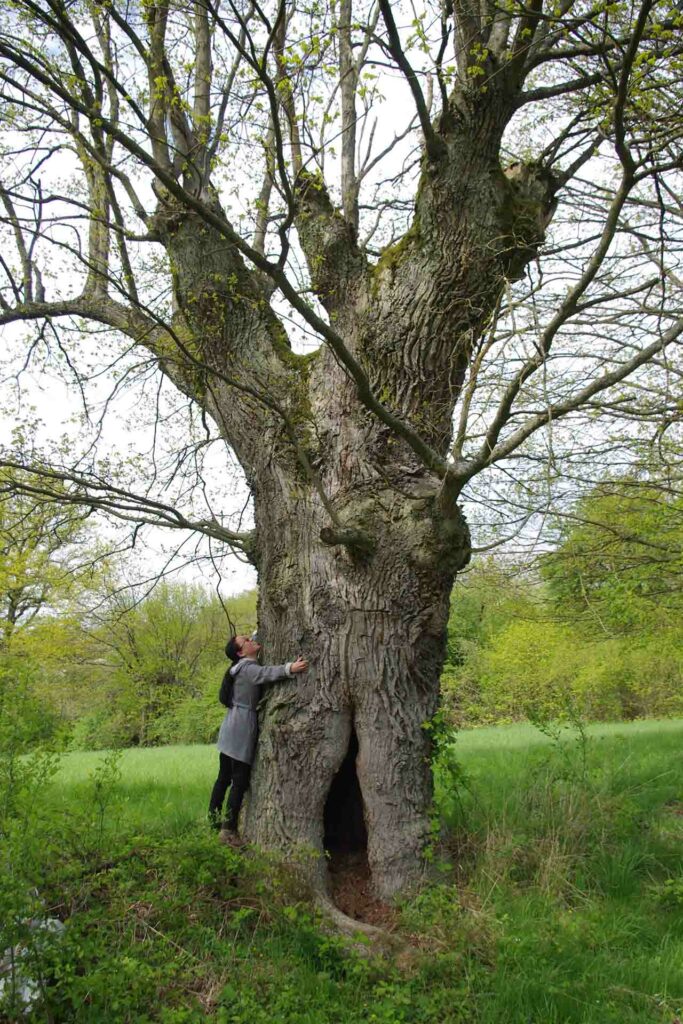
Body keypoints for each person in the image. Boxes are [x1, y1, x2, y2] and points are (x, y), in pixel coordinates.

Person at [208, 632, 308, 845]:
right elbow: (266, 674)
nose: (252, 640)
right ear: (241, 652)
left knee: (224, 778)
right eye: (247, 641)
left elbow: (254, 645)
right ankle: (228, 829)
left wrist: (254, 633)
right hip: (241, 727)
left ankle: (213, 821)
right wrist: (290, 668)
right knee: (239, 780)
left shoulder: (238, 666)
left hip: (231, 725)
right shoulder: (248, 668)